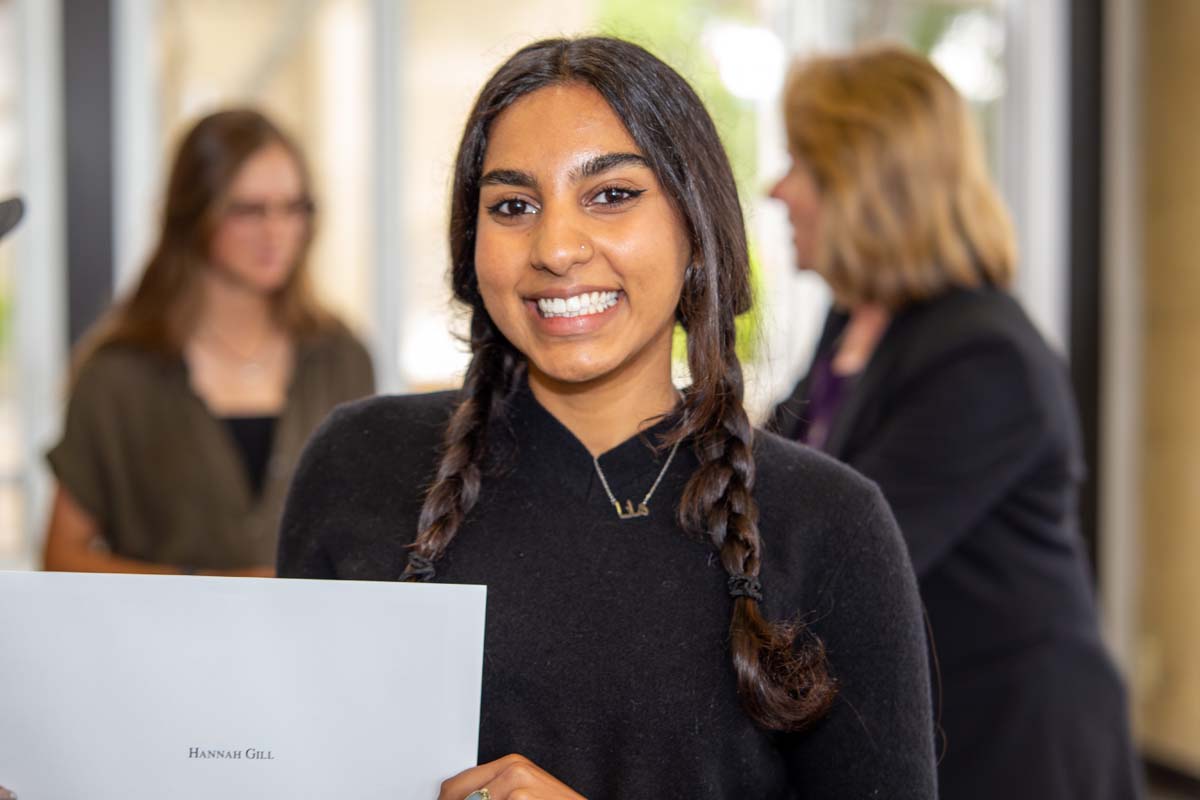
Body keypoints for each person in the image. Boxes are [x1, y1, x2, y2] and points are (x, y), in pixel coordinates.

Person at [279, 37, 935, 799]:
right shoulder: (359, 463)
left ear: (695, 229)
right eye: (513, 206)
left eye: (613, 195)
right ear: (472, 248)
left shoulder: (830, 525)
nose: (556, 248)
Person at [766, 44, 1141, 799]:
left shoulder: (982, 355)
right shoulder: (855, 320)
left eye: (801, 164)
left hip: (1014, 749)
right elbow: (773, 474)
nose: (778, 191)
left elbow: (839, 560)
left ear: (868, 183)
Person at [43, 109, 374, 577]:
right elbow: (62, 558)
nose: (276, 232)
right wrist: (208, 589)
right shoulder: (118, 375)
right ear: (194, 212)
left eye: (293, 207)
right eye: (248, 210)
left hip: (315, 647)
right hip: (161, 647)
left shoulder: (342, 357)